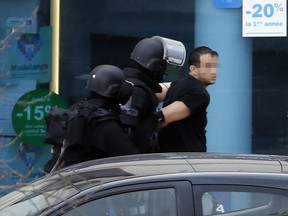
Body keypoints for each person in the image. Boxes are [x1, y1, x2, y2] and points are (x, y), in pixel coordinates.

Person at [44, 65, 139, 173]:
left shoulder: (76, 111)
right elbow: (132, 160)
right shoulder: (103, 123)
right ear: (115, 91)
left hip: (65, 180)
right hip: (92, 185)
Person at [120, 36, 186, 153]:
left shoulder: (128, 84)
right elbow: (127, 134)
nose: (165, 73)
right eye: (165, 67)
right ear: (156, 66)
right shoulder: (137, 92)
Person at [156, 46, 218, 152]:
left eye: (215, 66)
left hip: (170, 157)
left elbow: (155, 91)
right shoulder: (199, 93)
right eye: (208, 67)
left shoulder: (177, 85)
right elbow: (161, 118)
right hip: (186, 161)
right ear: (193, 70)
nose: (213, 71)